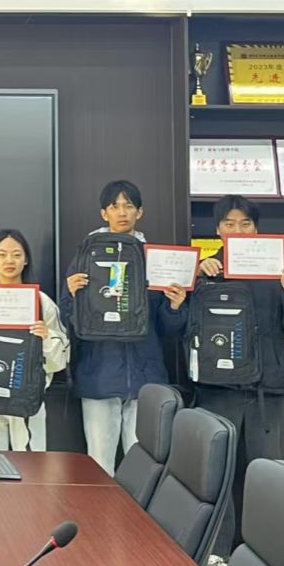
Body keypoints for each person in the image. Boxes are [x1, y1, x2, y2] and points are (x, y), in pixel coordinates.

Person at [193, 194, 284, 560]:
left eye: (245, 224)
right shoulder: (207, 270)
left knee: (267, 476)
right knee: (218, 476)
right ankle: (217, 553)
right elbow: (179, 326)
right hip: (218, 391)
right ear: (218, 229)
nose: (238, 230)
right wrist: (196, 279)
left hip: (266, 390)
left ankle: (265, 555)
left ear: (257, 228)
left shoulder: (278, 270)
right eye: (229, 224)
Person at [60, 180, 189, 474]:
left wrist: (175, 307)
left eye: (128, 206)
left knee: (141, 468)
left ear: (139, 212)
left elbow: (168, 330)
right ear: (103, 213)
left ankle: (136, 510)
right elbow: (67, 319)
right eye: (114, 206)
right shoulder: (86, 255)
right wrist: (70, 293)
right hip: (99, 375)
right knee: (99, 466)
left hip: (146, 378)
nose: (122, 212)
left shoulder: (154, 259)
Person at [0, 229, 69, 452]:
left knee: (31, 464)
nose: (9, 261)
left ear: (26, 260)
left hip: (27, 395)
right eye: (2, 254)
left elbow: (61, 357)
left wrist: (46, 338)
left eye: (16, 255)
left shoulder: (40, 301)